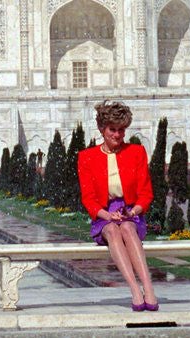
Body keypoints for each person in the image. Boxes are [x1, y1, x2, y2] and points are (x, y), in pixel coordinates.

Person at [77, 100, 157, 312]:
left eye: (121, 130)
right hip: (103, 214)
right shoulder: (87, 157)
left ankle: (148, 289)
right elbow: (89, 198)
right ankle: (135, 290)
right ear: (102, 130)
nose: (117, 135)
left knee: (128, 228)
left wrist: (133, 211)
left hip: (131, 210)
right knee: (113, 230)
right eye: (113, 130)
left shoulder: (136, 152)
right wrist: (107, 215)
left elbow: (146, 194)